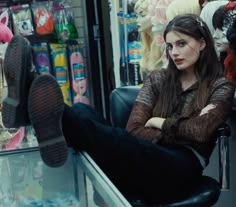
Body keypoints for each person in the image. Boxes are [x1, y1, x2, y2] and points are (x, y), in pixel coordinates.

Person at [2, 14, 235, 205]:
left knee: (119, 141)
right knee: (84, 112)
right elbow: (134, 130)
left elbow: (201, 132)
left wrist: (159, 122)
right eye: (170, 45)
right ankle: (41, 106)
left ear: (202, 43)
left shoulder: (220, 86)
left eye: (181, 44)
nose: (174, 52)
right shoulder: (158, 80)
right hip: (147, 158)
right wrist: (180, 128)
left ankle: (32, 95)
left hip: (183, 169)